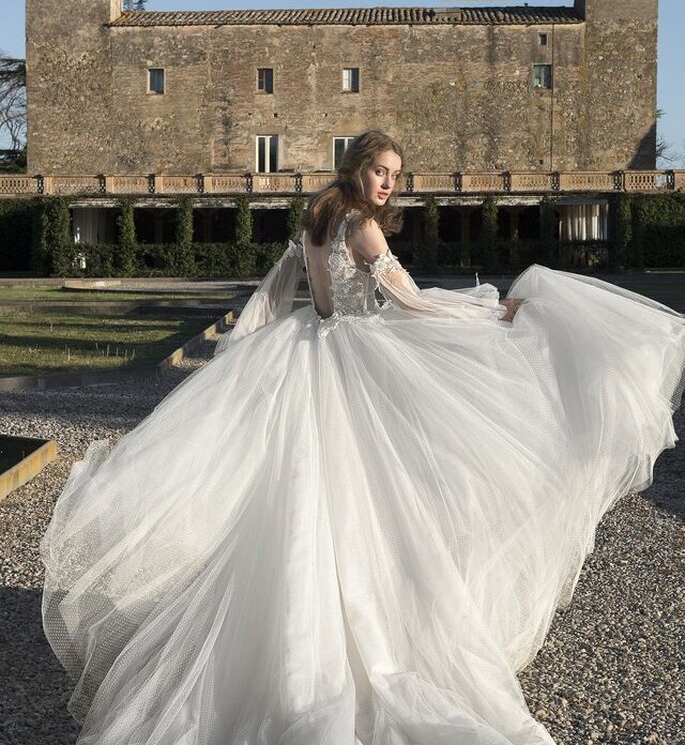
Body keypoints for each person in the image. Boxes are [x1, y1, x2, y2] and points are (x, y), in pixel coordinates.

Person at [40, 130, 685, 745]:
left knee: (305, 502)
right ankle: (369, 636)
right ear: (356, 169)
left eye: (397, 175)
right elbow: (411, 303)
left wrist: (241, 351)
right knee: (376, 497)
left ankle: (295, 640)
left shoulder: (314, 222)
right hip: (357, 361)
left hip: (307, 354)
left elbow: (283, 295)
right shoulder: (362, 227)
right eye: (382, 171)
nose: (389, 183)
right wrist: (489, 311)